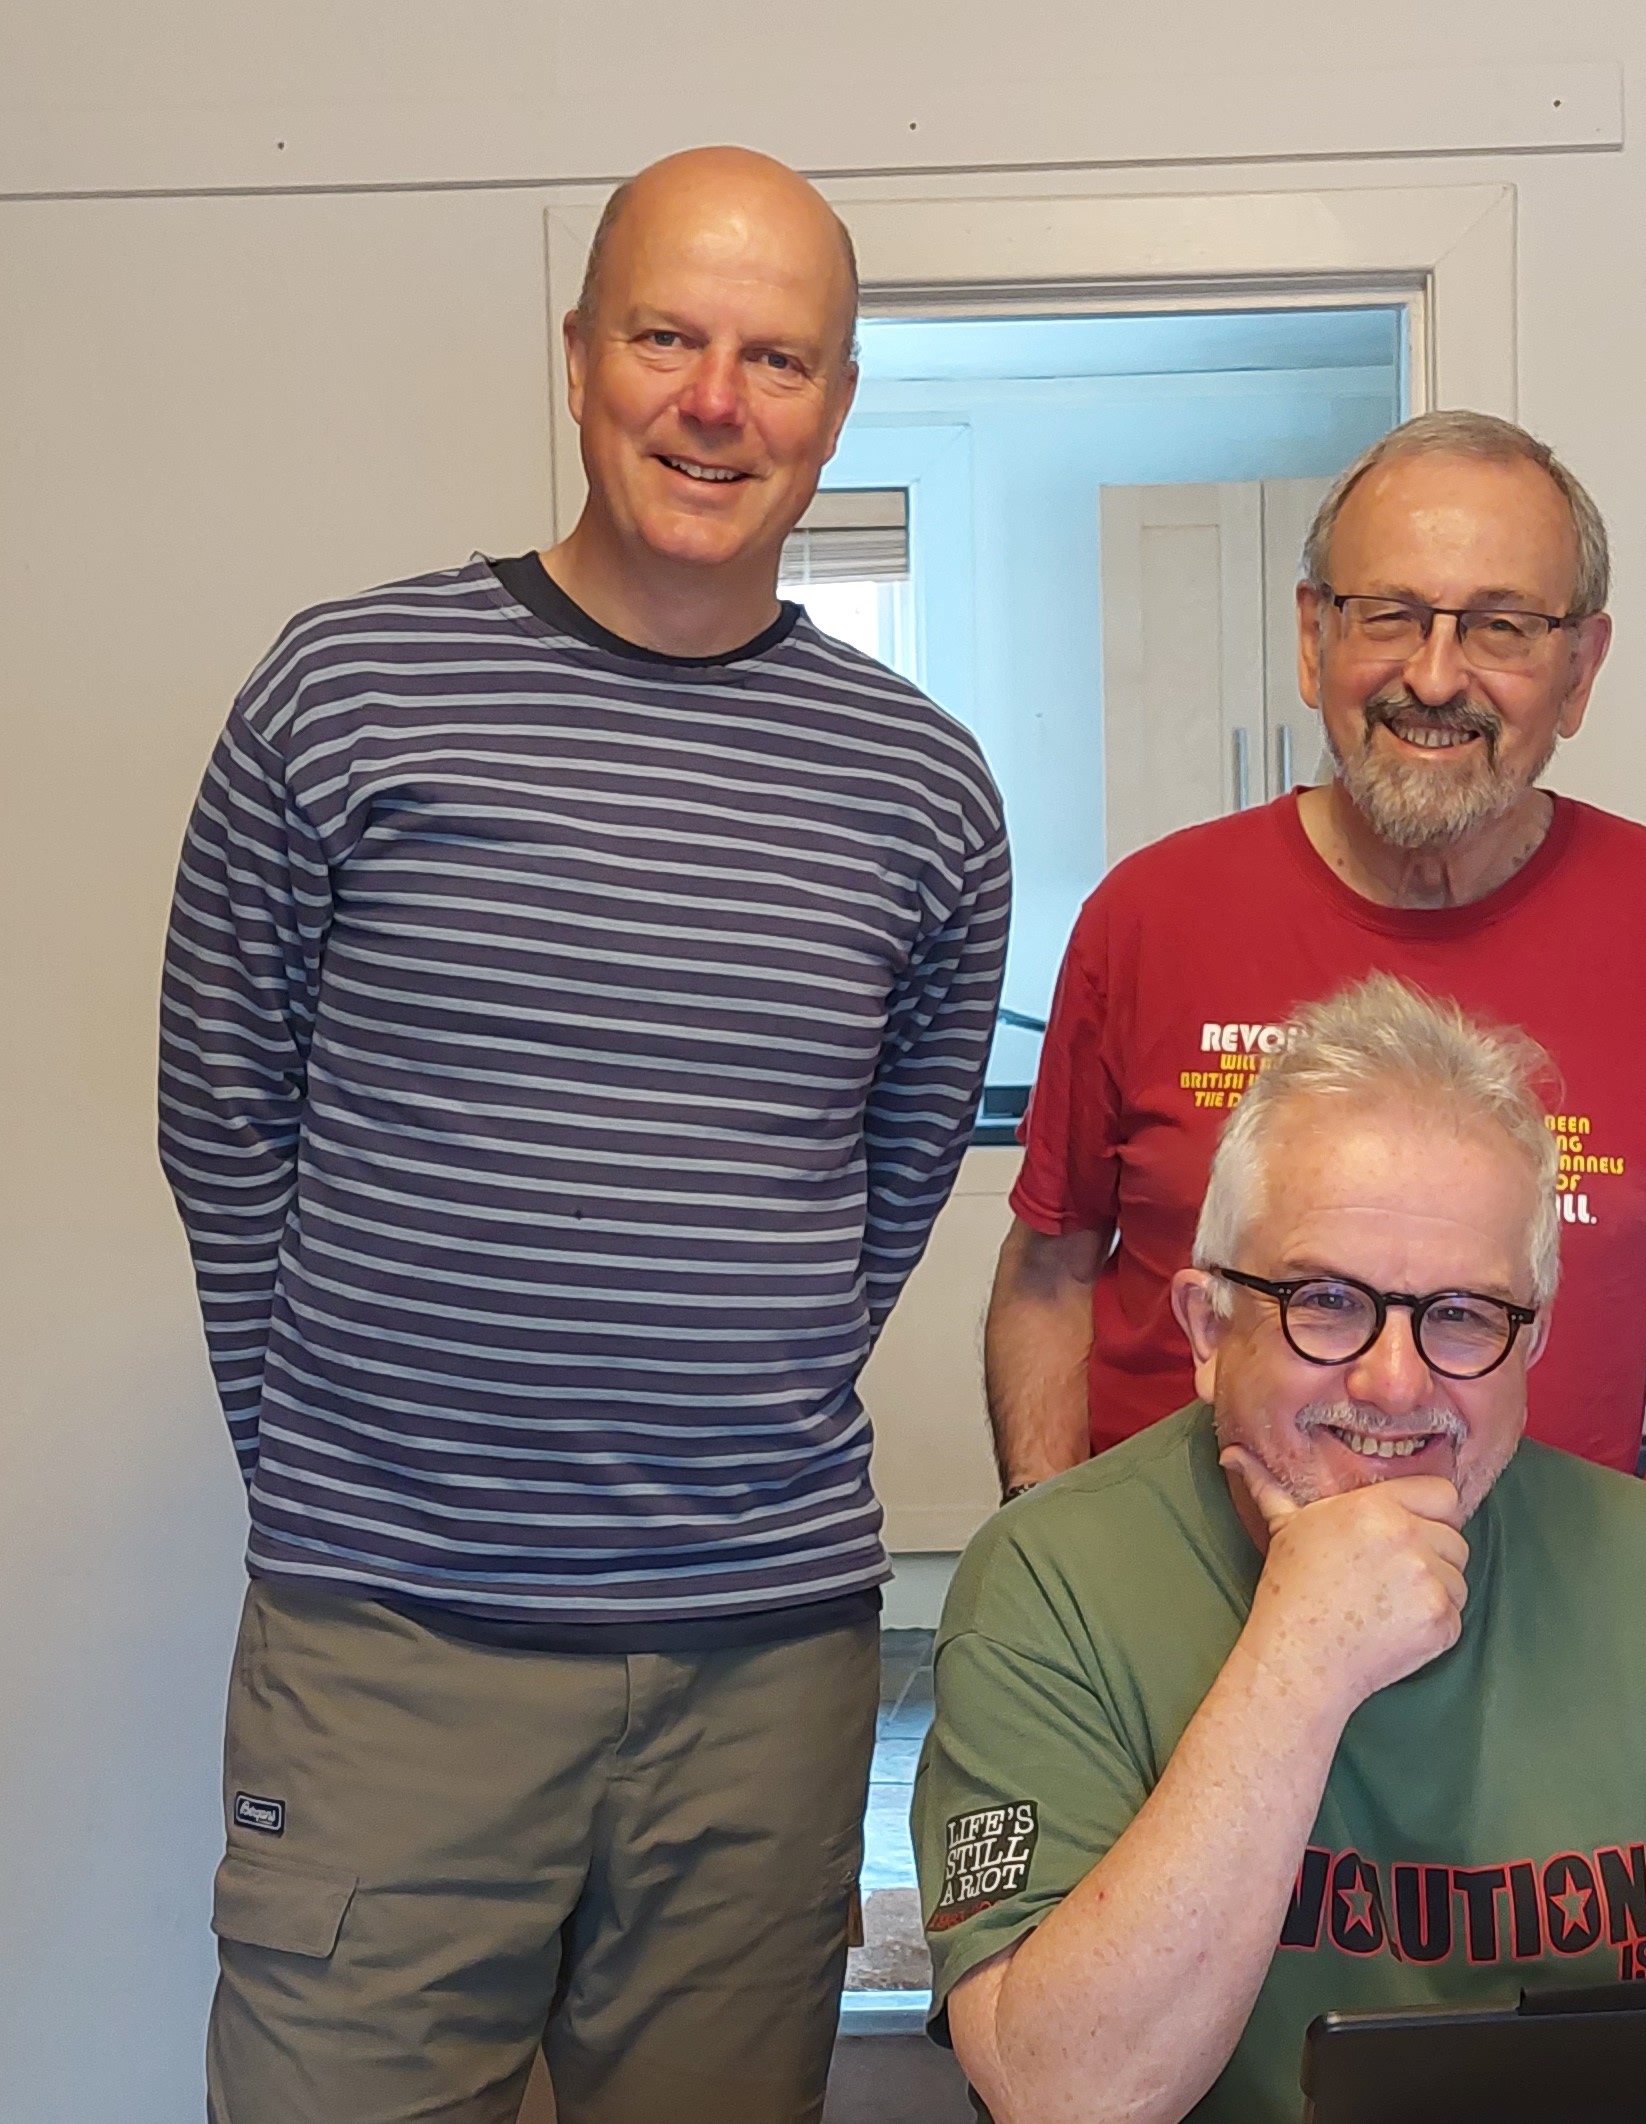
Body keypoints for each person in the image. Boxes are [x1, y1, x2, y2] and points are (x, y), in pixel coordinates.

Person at [160, 146, 1009, 2124]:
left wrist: (709, 1381)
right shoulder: (345, 693)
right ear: (575, 356)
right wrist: (341, 1463)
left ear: (836, 403)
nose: (716, 402)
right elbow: (225, 1116)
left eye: (776, 358)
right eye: (664, 337)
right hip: (389, 1646)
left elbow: (884, 1185)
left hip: (762, 1670)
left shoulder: (921, 789)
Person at [916, 975, 1646, 2124]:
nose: (1395, 1383)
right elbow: (1064, 2094)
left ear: (1530, 1340)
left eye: (1462, 1315)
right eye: (1327, 1302)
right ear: (1207, 1328)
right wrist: (1300, 1664)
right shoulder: (1049, 1580)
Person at [986, 410, 1646, 1542]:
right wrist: (1045, 1551)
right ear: (1313, 637)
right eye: (1390, 614)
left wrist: (1619, 1619)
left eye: (1502, 627)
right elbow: (1051, 1272)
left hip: (1525, 1630)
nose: (1432, 675)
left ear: (1579, 670)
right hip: (1164, 1607)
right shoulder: (1149, 916)